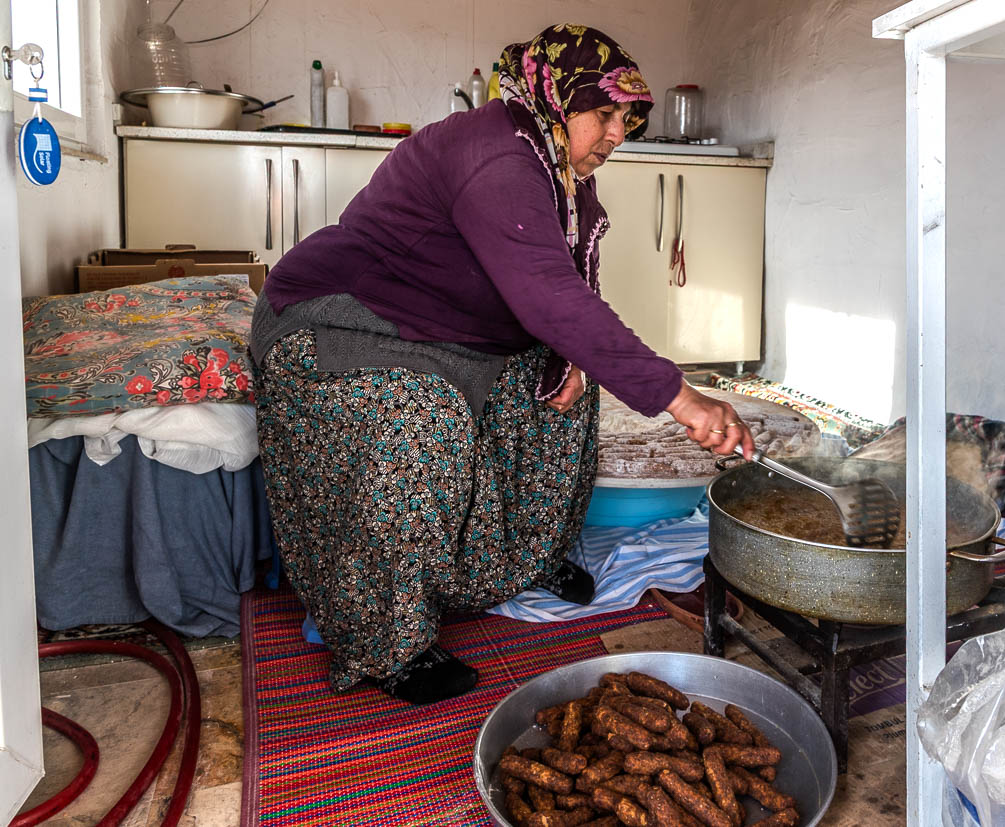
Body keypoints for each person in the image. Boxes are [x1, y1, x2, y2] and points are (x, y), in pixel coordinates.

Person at [249, 23, 753, 706]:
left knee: (566, 391)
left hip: (444, 332)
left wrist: (569, 354)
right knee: (417, 424)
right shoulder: (498, 154)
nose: (617, 135)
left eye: (627, 120)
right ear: (555, 96)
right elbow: (550, 297)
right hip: (346, 322)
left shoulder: (557, 170)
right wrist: (683, 398)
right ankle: (387, 642)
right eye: (603, 114)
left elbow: (561, 289)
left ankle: (519, 563)